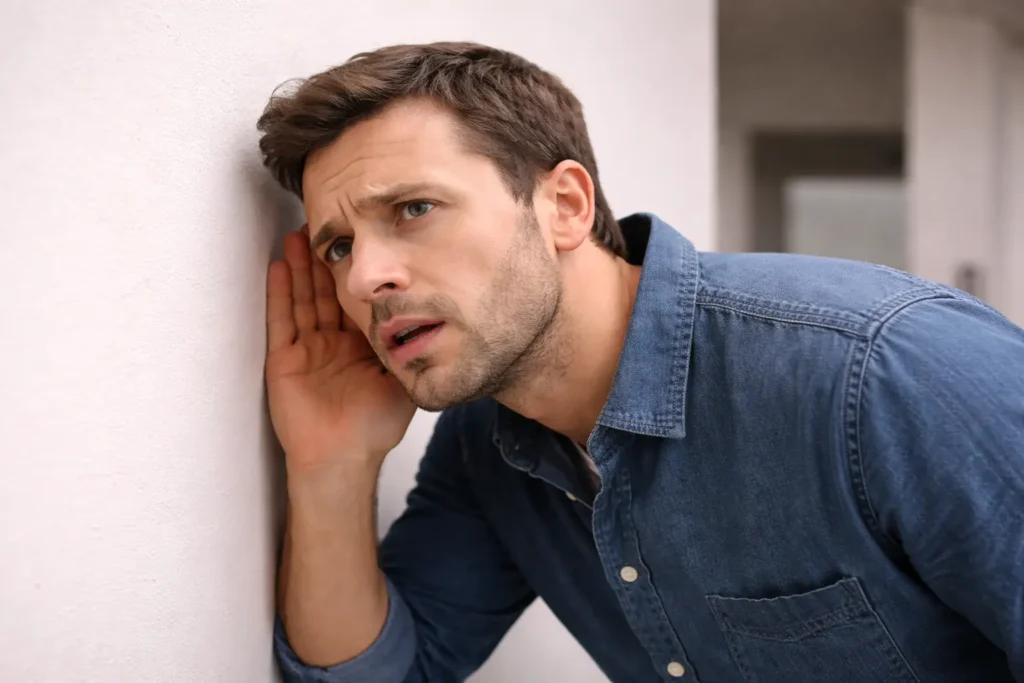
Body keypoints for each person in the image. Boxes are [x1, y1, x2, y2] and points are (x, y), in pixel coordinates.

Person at [256, 41, 1024, 683]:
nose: (364, 279)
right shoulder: (491, 443)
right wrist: (331, 468)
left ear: (564, 205)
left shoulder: (885, 371)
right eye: (340, 245)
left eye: (414, 209)